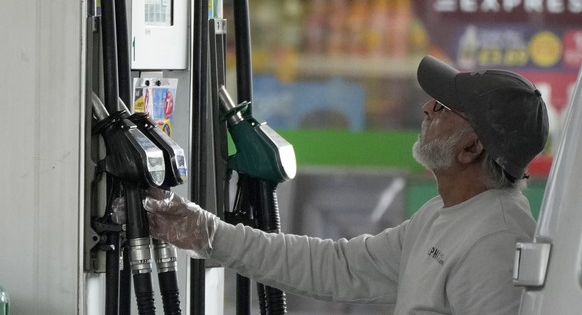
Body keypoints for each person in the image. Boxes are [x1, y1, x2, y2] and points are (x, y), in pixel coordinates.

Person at [143, 55, 549, 314]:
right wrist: (207, 233)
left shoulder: (496, 243)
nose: (426, 107)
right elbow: (340, 267)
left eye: (442, 108)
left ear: (471, 148)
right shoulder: (445, 214)